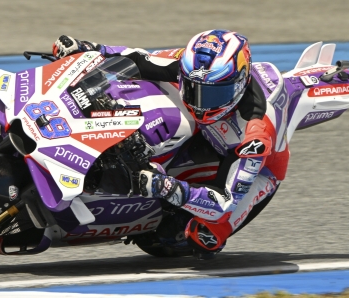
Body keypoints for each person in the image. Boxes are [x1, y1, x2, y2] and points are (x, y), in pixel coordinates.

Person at [52, 30, 289, 258]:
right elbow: (137, 57)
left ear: (238, 85)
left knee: (204, 236)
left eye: (213, 95)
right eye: (193, 89)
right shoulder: (192, 67)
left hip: (256, 166)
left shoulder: (255, 135)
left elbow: (225, 203)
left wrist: (164, 187)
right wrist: (89, 49)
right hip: (206, 134)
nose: (200, 103)